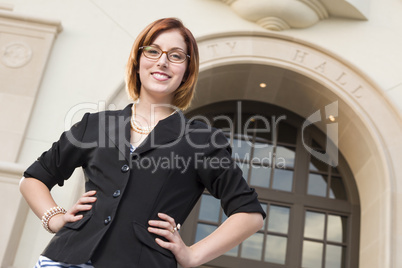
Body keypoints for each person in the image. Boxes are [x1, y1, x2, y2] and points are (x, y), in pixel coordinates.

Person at [20, 17, 265, 268]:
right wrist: (55, 218)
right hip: (64, 260)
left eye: (176, 56)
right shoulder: (94, 125)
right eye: (153, 50)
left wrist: (193, 255)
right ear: (138, 62)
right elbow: (33, 179)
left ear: (186, 72)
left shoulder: (201, 140)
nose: (162, 61)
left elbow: (249, 214)